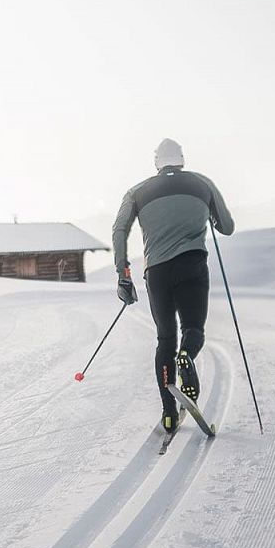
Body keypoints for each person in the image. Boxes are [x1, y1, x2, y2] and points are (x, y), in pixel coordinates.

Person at [110, 138, 236, 432]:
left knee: (165, 338)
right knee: (193, 330)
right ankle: (186, 356)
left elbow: (119, 229)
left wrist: (123, 274)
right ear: (181, 160)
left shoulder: (136, 192)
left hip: (157, 272)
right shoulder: (202, 183)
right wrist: (207, 216)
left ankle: (168, 414)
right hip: (192, 264)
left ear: (157, 162)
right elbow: (226, 227)